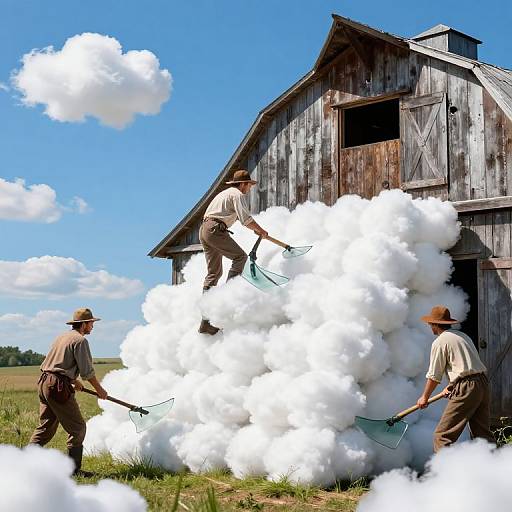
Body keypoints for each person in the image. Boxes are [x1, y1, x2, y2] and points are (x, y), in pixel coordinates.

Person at [29, 308, 108, 476]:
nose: (92, 326)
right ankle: (73, 471)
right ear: (84, 324)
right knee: (78, 428)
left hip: (45, 382)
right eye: (91, 323)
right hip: (57, 386)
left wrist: (72, 380)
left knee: (46, 427)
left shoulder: (62, 337)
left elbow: (55, 364)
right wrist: (100, 391)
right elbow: (88, 372)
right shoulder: (80, 341)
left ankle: (24, 463)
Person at [198, 169, 268, 335]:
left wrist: (255, 230)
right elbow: (246, 219)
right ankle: (228, 295)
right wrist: (261, 231)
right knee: (240, 257)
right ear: (243, 184)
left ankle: (205, 322)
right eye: (248, 185)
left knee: (213, 274)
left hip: (205, 229)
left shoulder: (225, 194)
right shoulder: (236, 194)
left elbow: (241, 219)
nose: (249, 188)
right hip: (215, 229)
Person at [416, 305, 495, 452]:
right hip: (481, 383)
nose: (429, 326)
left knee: (442, 436)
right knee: (482, 435)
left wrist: (424, 397)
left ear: (434, 324)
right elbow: (466, 365)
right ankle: (496, 469)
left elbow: (434, 376)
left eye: (430, 323)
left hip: (466, 386)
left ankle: (445, 473)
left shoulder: (440, 342)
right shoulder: (462, 336)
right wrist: (452, 385)